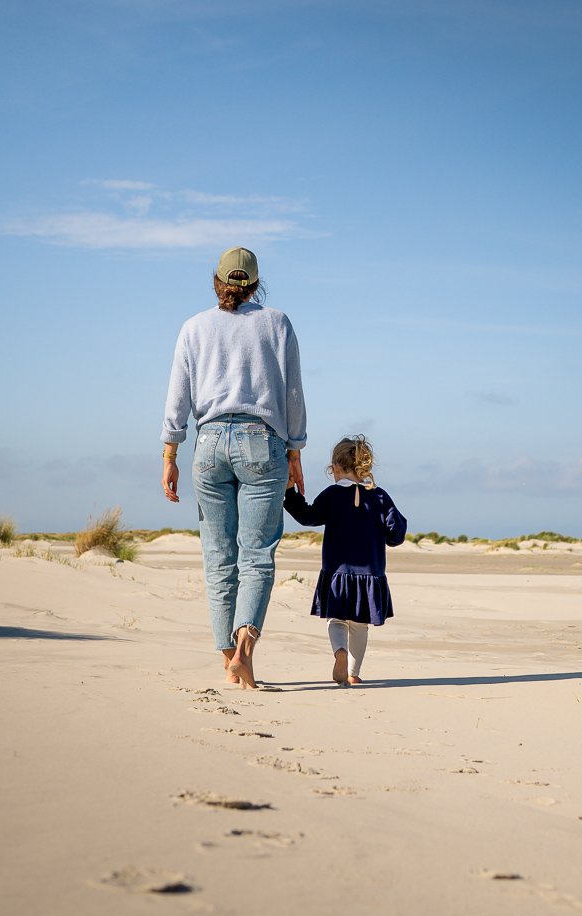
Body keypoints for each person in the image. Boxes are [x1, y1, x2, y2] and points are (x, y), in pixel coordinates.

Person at [161, 247, 307, 690]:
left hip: (207, 444)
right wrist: (296, 451)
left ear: (217, 282)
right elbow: (293, 395)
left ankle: (231, 662)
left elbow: (177, 397)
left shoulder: (194, 327)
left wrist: (170, 453)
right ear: (256, 284)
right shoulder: (276, 322)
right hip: (263, 442)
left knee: (218, 558)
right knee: (257, 554)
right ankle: (244, 650)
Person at [283, 434, 406, 685]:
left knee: (336, 620)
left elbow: (307, 516)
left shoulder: (332, 495)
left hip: (336, 572)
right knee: (359, 626)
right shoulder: (380, 497)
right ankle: (353, 673)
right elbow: (397, 532)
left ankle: (339, 652)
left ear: (336, 468)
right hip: (369, 575)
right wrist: (387, 536)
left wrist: (290, 491)